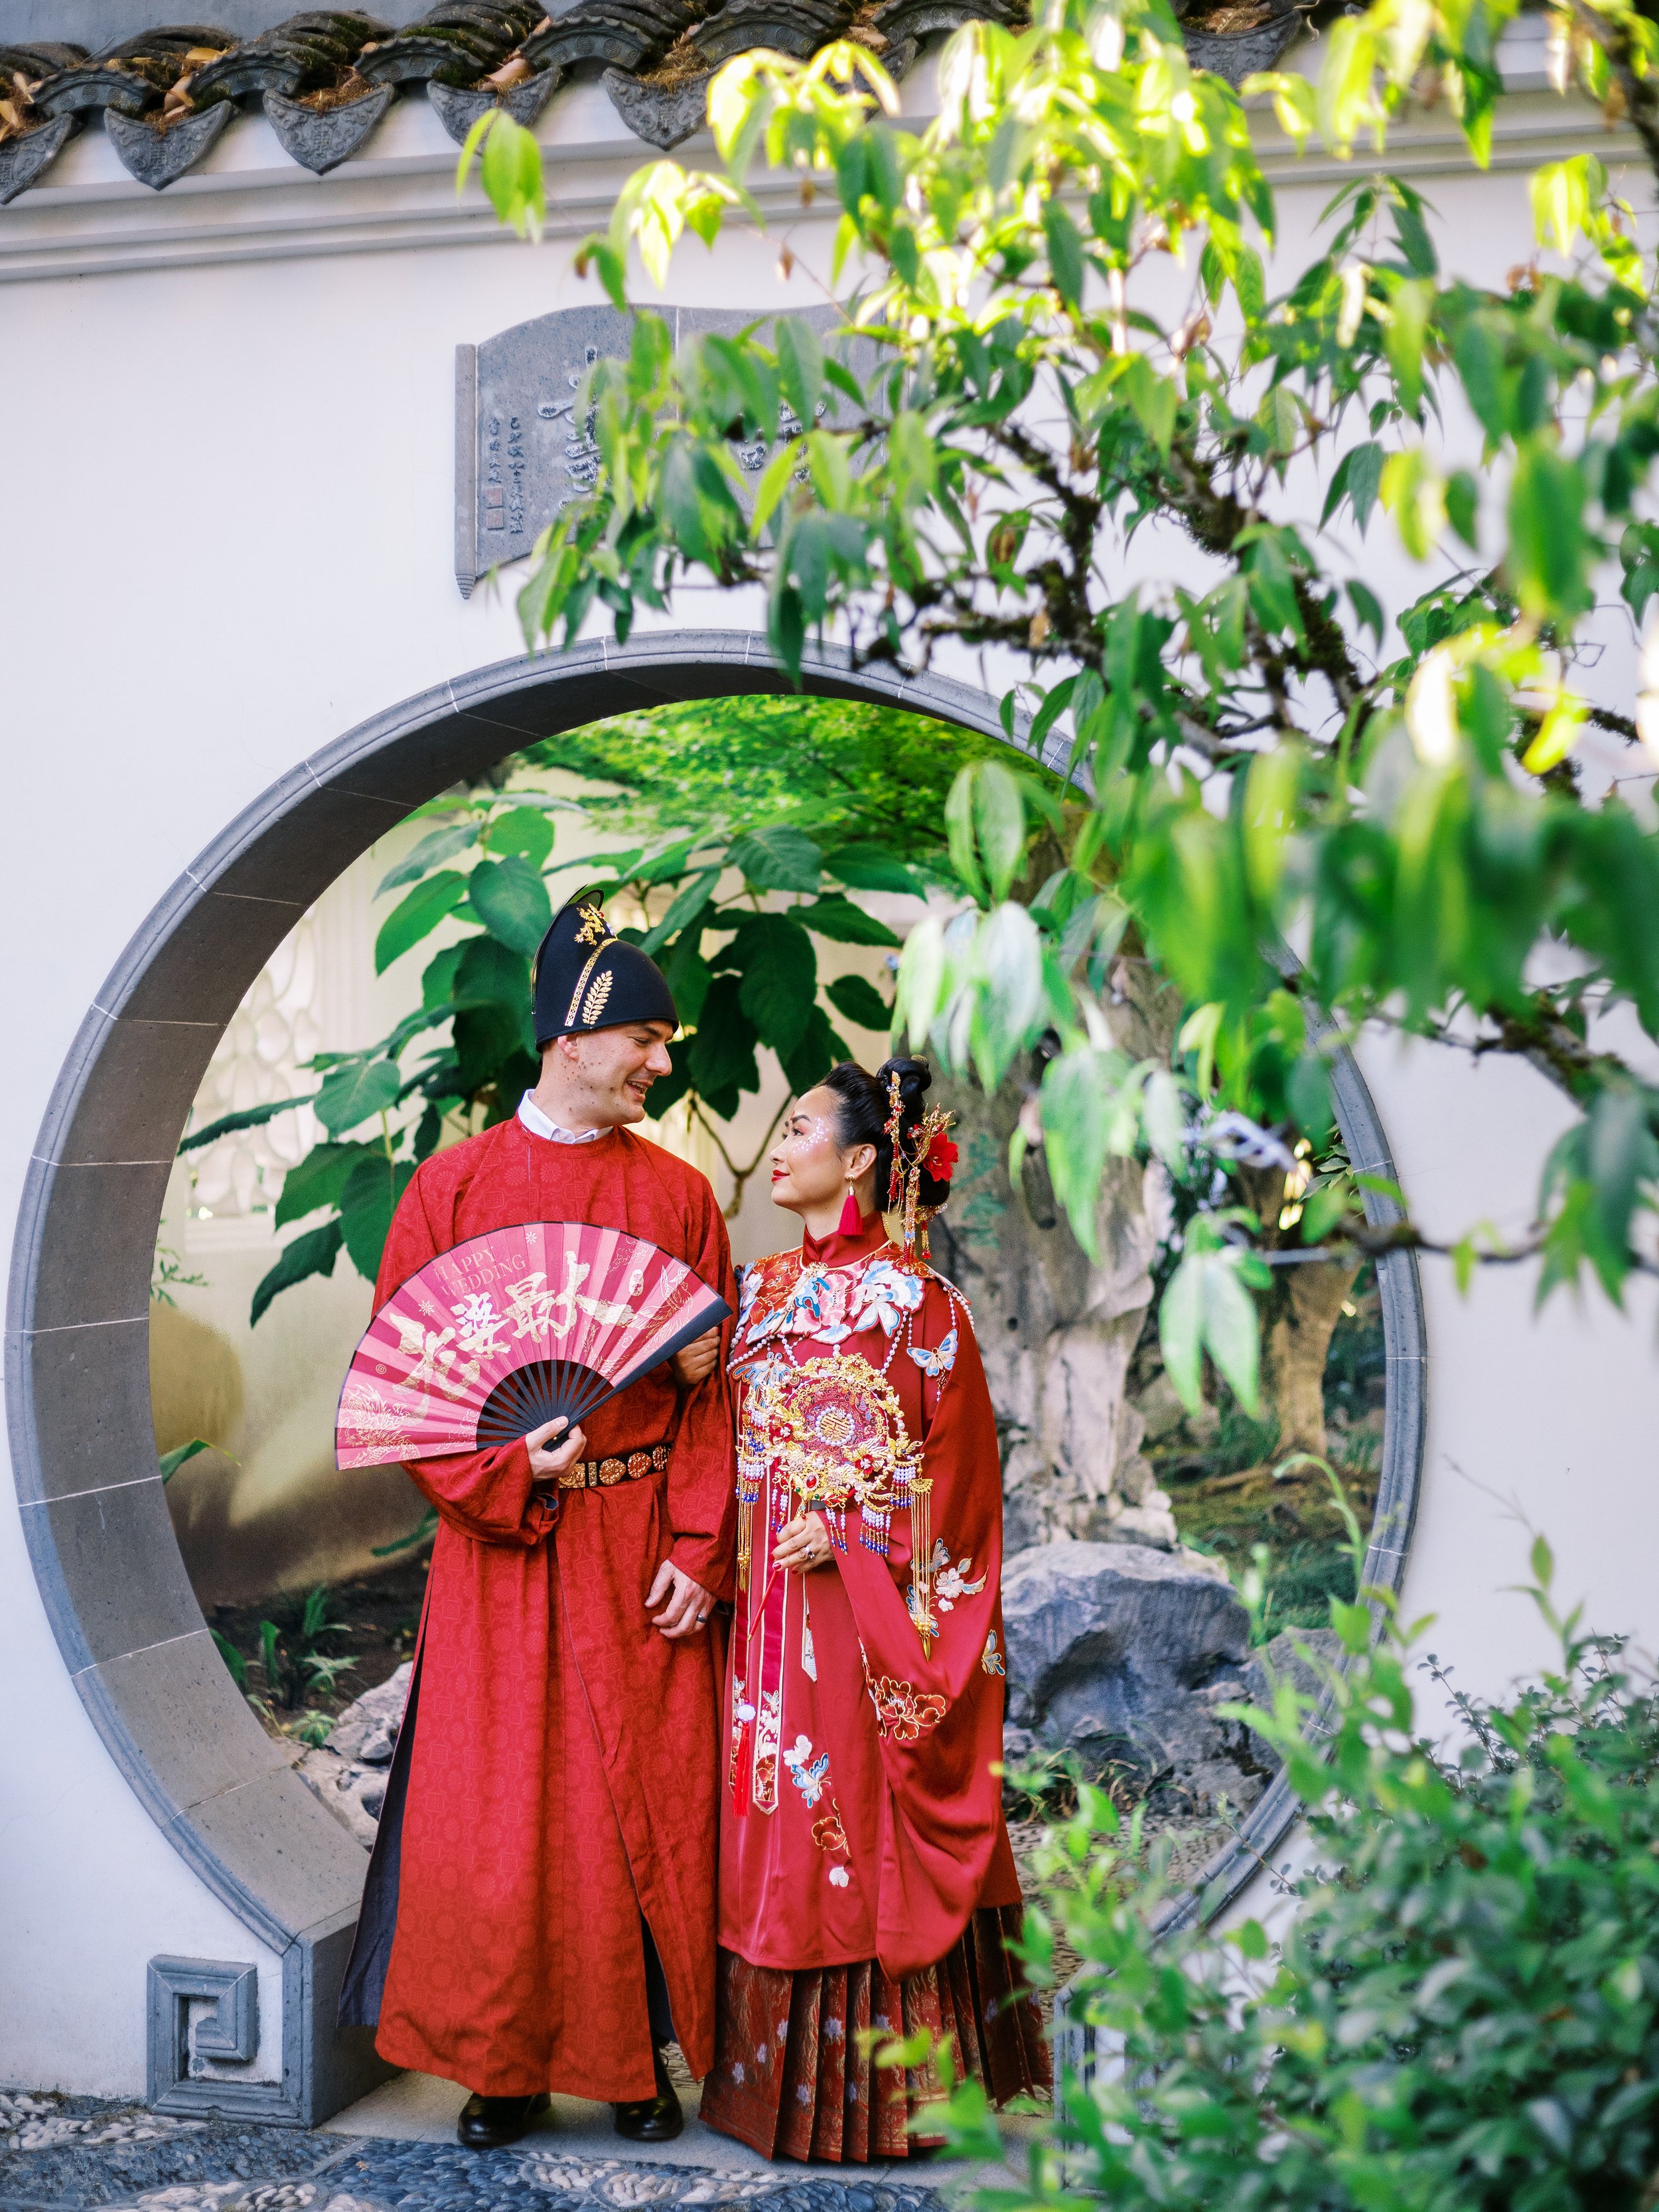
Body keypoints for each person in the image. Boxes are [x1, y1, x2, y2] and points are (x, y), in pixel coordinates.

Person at [338, 896, 731, 2152]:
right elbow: (411, 1388)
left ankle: (633, 2062)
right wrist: (506, 1469)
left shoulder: (681, 1199)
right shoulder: (449, 1192)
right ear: (572, 1032)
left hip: (639, 1542)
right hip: (502, 1552)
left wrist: (697, 1548)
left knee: (638, 1813)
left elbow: (718, 1401)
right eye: (644, 1038)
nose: (662, 1063)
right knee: (501, 1816)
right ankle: (502, 2063)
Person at [700, 1056, 1049, 2162]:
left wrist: (855, 1541)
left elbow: (960, 1490)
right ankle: (771, 2088)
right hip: (764, 1617)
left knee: (844, 1825)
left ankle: (888, 2101)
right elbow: (720, 1448)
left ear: (858, 1159)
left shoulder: (922, 1307)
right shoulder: (754, 1296)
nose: (781, 1139)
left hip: (864, 1622)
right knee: (771, 1814)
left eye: (800, 1125)